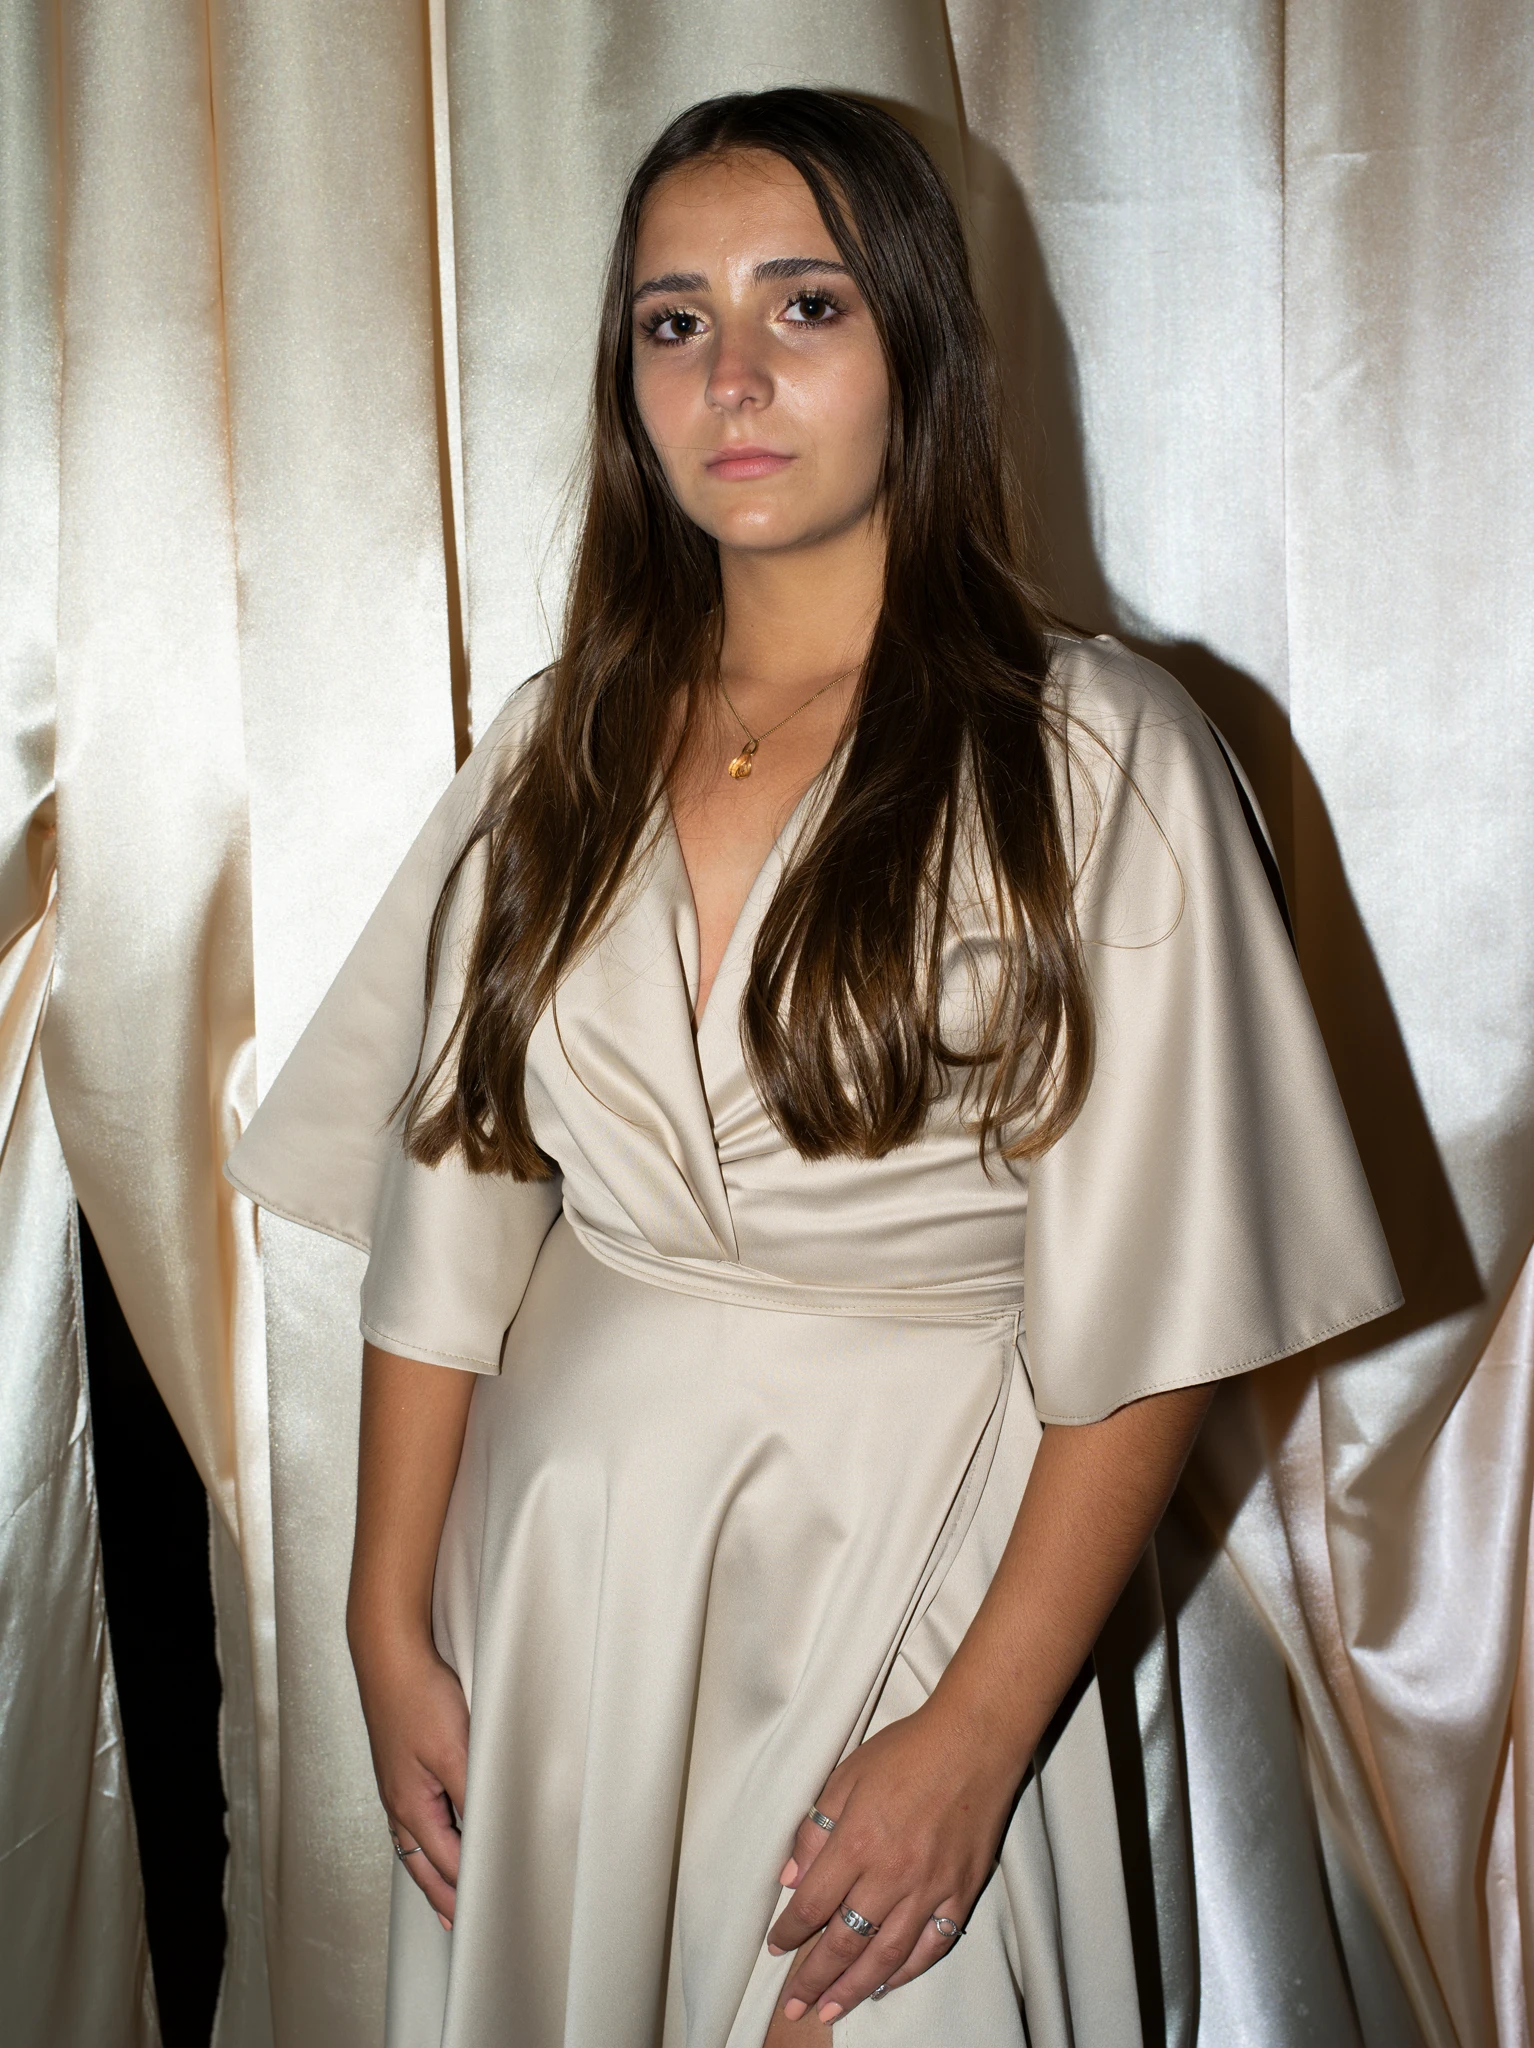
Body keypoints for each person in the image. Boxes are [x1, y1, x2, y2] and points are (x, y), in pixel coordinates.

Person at [228, 88, 1399, 2048]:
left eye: (805, 307)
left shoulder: (1093, 755)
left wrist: (978, 1724)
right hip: (561, 1584)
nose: (732, 375)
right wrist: (383, 1606)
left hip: (899, 1579)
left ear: (915, 349)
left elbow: (1160, 1303)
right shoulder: (562, 741)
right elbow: (452, 1192)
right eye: (673, 321)